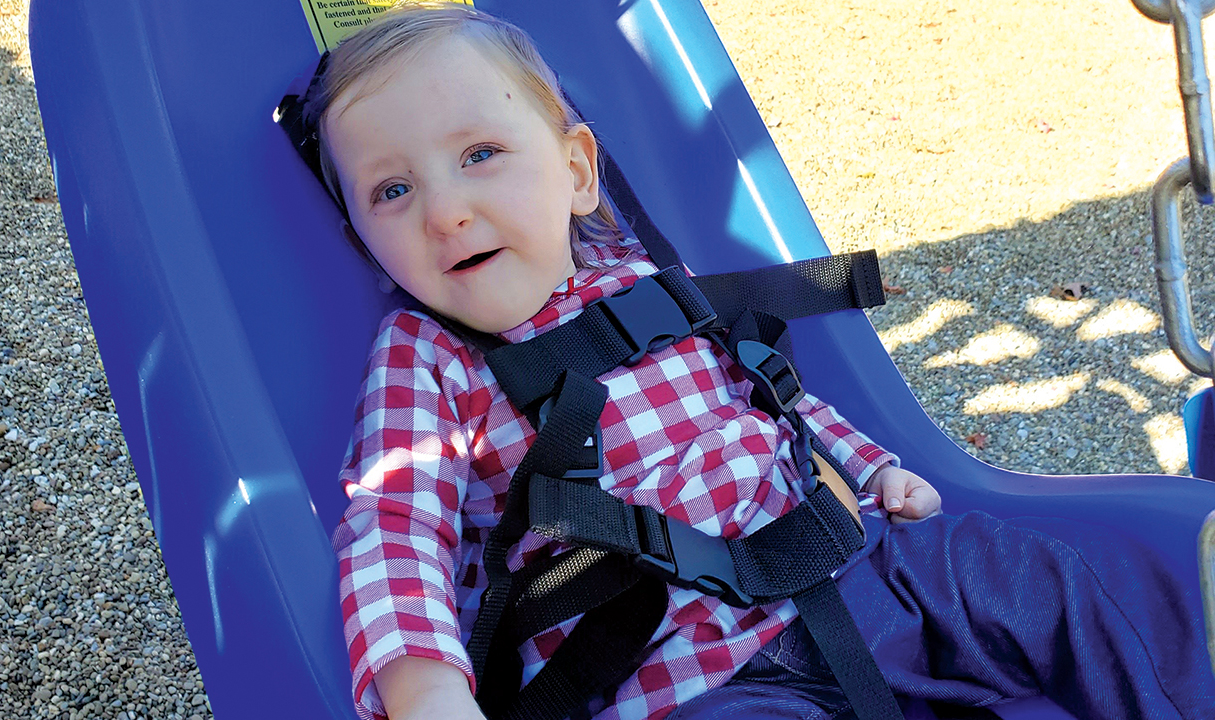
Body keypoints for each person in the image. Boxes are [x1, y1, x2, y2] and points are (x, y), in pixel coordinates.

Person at [304, 4, 1215, 719]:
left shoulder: (647, 284)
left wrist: (873, 468)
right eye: (392, 190)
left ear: (578, 172)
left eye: (481, 154)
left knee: (1046, 577)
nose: (446, 211)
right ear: (361, 239)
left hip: (864, 577)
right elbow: (391, 520)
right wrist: (424, 688)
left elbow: (769, 394)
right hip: (690, 678)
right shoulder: (426, 358)